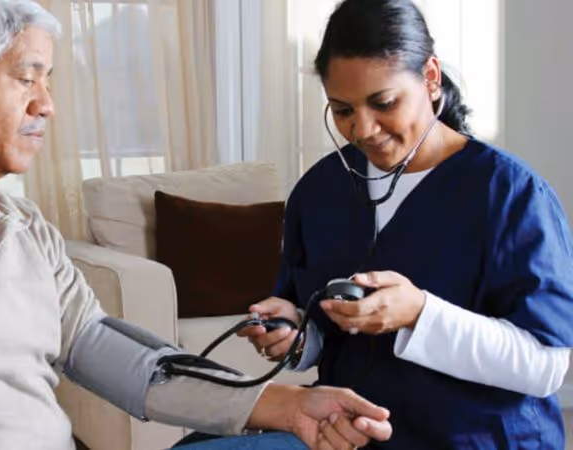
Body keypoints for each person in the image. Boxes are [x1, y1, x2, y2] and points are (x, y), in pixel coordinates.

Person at [0, 1, 393, 449]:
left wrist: (283, 405)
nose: (48, 104)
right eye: (27, 77)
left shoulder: (25, 223)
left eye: (50, 81)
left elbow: (101, 347)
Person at [239, 0, 573, 448]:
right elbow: (321, 332)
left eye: (384, 103)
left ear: (430, 78)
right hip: (346, 435)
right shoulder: (319, 191)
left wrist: (419, 314)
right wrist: (294, 336)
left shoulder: (510, 195)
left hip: (478, 440)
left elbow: (544, 368)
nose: (363, 129)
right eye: (342, 110)